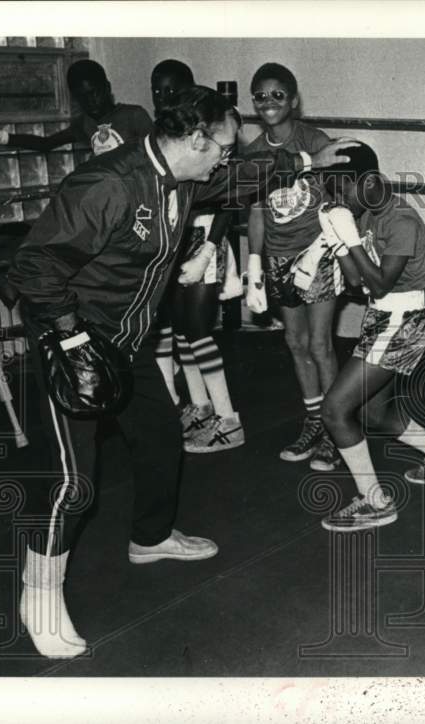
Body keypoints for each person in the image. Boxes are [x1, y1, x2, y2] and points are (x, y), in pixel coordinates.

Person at [6, 85, 356, 658]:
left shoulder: (183, 176)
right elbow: (35, 266)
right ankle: (39, 594)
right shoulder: (108, 184)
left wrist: (304, 161)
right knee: (75, 483)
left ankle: (149, 538)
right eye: (221, 144)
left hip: (130, 340)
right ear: (195, 138)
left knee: (161, 437)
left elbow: (238, 178)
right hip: (70, 343)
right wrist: (70, 337)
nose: (226, 154)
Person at [316, 142, 425, 531]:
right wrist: (337, 242)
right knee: (374, 412)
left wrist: (350, 240)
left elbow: (382, 284)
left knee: (335, 409)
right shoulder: (366, 214)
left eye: (341, 189)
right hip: (382, 317)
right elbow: (356, 280)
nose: (339, 199)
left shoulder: (402, 220)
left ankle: (375, 503)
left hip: (400, 319)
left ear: (366, 180)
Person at [244, 63, 343, 471]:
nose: (269, 103)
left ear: (293, 99)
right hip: (279, 258)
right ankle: (316, 422)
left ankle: (339, 431)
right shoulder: (252, 153)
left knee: (320, 344)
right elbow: (256, 212)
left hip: (316, 252)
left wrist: (335, 246)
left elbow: (342, 195)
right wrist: (255, 263)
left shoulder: (316, 140)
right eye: (261, 96)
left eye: (277, 95)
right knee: (295, 343)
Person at [148, 59, 245, 453]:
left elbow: (230, 198)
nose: (164, 99)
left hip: (205, 235)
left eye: (172, 91)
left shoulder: (213, 134)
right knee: (182, 329)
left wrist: (209, 250)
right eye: (158, 91)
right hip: (177, 237)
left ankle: (229, 420)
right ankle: (202, 406)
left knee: (198, 329)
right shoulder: (164, 138)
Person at [0, 59, 153, 156]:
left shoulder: (134, 116)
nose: (91, 101)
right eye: (82, 97)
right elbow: (45, 144)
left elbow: (159, 156)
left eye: (94, 92)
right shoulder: (85, 124)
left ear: (107, 88)